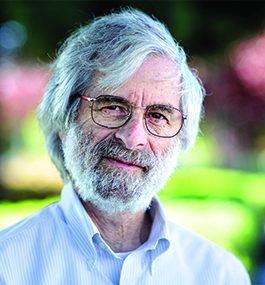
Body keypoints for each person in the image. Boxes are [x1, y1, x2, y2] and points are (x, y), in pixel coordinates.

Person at [0, 8, 250, 285]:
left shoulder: (221, 274)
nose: (133, 138)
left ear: (180, 138)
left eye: (158, 115)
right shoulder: (7, 266)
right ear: (65, 119)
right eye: (112, 106)